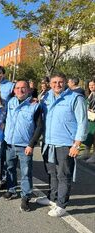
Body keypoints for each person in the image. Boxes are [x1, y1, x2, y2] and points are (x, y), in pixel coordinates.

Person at [37, 73, 88, 217]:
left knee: (63, 175)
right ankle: (52, 198)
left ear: (66, 82)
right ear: (50, 83)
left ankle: (61, 205)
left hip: (66, 143)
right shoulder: (46, 97)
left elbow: (82, 122)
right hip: (48, 141)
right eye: (54, 82)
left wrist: (77, 144)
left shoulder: (75, 98)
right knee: (51, 173)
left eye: (60, 82)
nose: (57, 85)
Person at [3, 80, 42, 212]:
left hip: (25, 145)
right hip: (9, 143)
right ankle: (11, 189)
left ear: (29, 90)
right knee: (9, 168)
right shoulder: (11, 102)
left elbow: (39, 127)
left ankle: (25, 197)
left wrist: (31, 144)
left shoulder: (35, 105)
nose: (20, 90)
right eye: (17, 88)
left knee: (26, 172)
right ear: (14, 90)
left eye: (23, 88)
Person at [0, 66, 14, 190]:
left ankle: (4, 179)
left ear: (3, 74)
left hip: (3, 124)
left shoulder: (10, 86)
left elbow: (18, 98)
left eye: (0, 74)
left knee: (4, 153)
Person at [80, 78, 95, 163]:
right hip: (89, 119)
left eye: (93, 85)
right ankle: (86, 153)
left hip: (94, 120)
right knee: (88, 137)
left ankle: (94, 156)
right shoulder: (90, 95)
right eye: (89, 85)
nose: (91, 87)